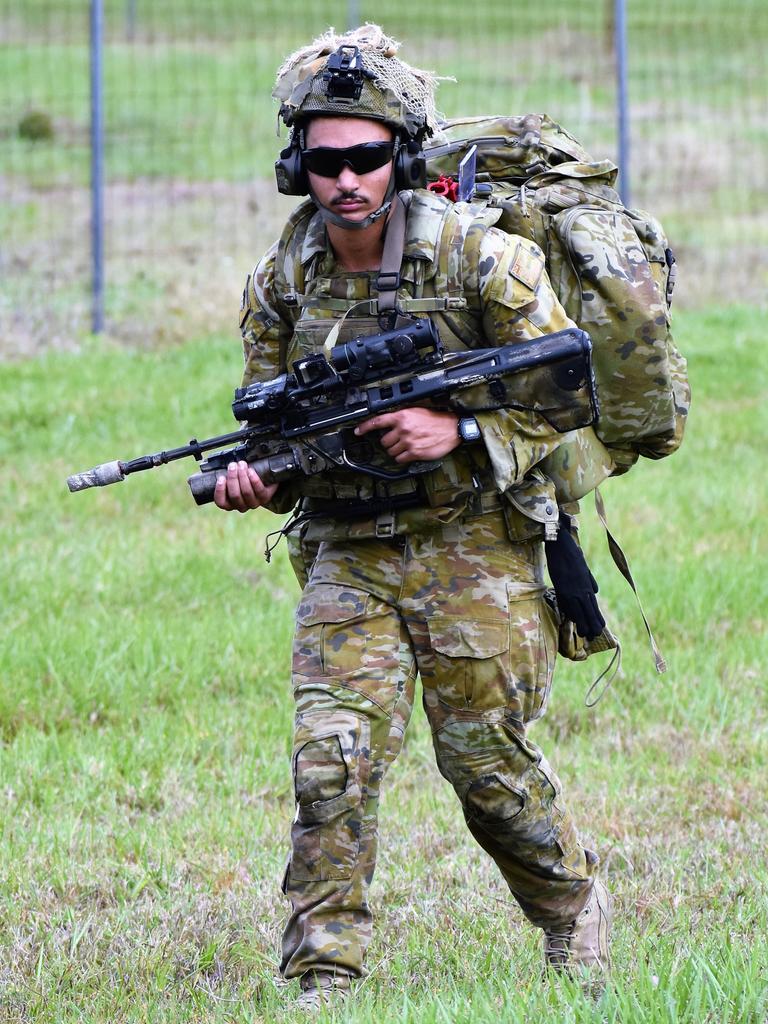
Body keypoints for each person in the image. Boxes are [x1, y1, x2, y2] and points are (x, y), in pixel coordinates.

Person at [214, 25, 613, 1009]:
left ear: (402, 154)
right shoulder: (285, 280)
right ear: (296, 163)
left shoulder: (486, 261)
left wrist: (461, 431)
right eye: (324, 160)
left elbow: (576, 386)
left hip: (475, 541)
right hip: (350, 552)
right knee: (330, 767)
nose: (345, 180)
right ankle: (323, 978)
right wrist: (260, 477)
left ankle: (573, 914)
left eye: (365, 157)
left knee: (490, 773)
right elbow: (281, 426)